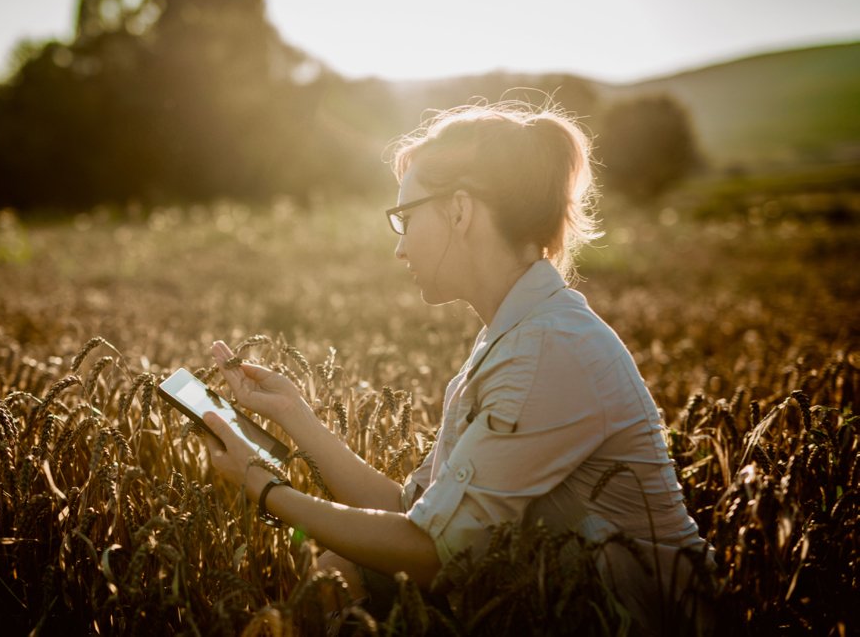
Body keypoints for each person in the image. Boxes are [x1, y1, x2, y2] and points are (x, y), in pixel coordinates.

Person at [202, 101, 712, 634]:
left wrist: (264, 488)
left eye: (406, 217)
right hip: (570, 608)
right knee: (341, 570)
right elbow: (411, 512)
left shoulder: (544, 350)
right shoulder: (516, 336)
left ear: (460, 211)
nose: (400, 248)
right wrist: (296, 416)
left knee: (339, 576)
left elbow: (432, 554)